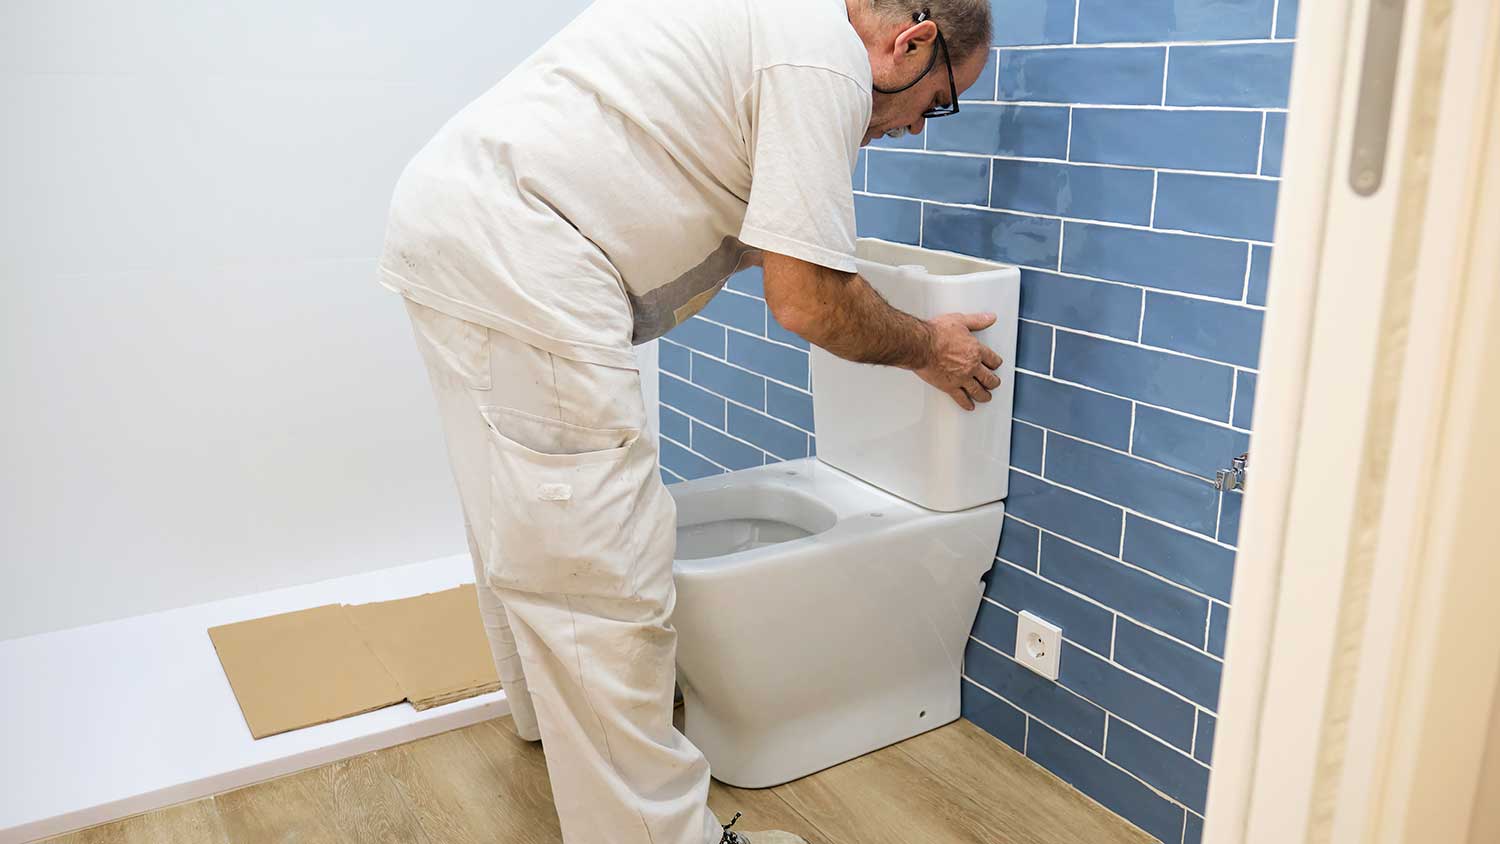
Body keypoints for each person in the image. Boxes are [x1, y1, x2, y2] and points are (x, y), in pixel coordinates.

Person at [379, 1, 999, 841]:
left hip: (459, 223)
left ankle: (553, 724)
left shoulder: (771, 24)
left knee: (524, 512)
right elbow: (811, 302)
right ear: (910, 44)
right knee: (605, 573)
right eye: (939, 102)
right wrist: (930, 345)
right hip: (527, 252)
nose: (921, 131)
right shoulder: (822, 64)